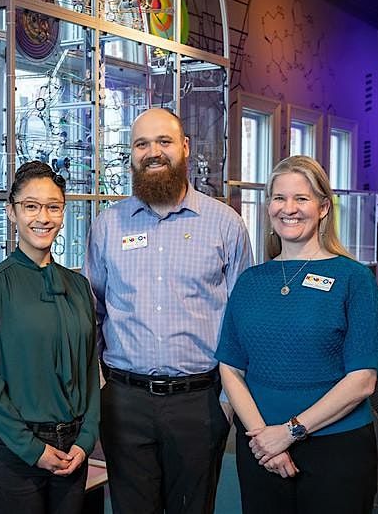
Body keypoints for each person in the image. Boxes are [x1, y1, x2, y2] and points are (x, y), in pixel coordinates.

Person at [83, 107, 254, 514]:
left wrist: (228, 403)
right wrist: (101, 388)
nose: (153, 152)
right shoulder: (107, 225)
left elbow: (243, 321)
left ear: (185, 147)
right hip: (124, 404)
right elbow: (91, 313)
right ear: (131, 154)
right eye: (142, 144)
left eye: (164, 141)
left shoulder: (225, 224)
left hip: (199, 403)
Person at [215, 155, 378, 514]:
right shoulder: (250, 281)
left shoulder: (354, 279)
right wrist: (264, 437)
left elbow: (362, 381)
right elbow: (230, 367)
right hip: (259, 446)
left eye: (301, 198)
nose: (288, 208)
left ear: (323, 208)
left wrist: (288, 432)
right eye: (279, 198)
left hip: (336, 448)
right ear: (268, 206)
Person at [0, 161, 99, 514]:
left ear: (63, 213)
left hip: (72, 451)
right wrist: (32, 449)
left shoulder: (78, 287)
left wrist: (86, 439)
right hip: (13, 452)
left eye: (53, 207)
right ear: (12, 212)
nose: (43, 217)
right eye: (31, 206)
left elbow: (89, 370)